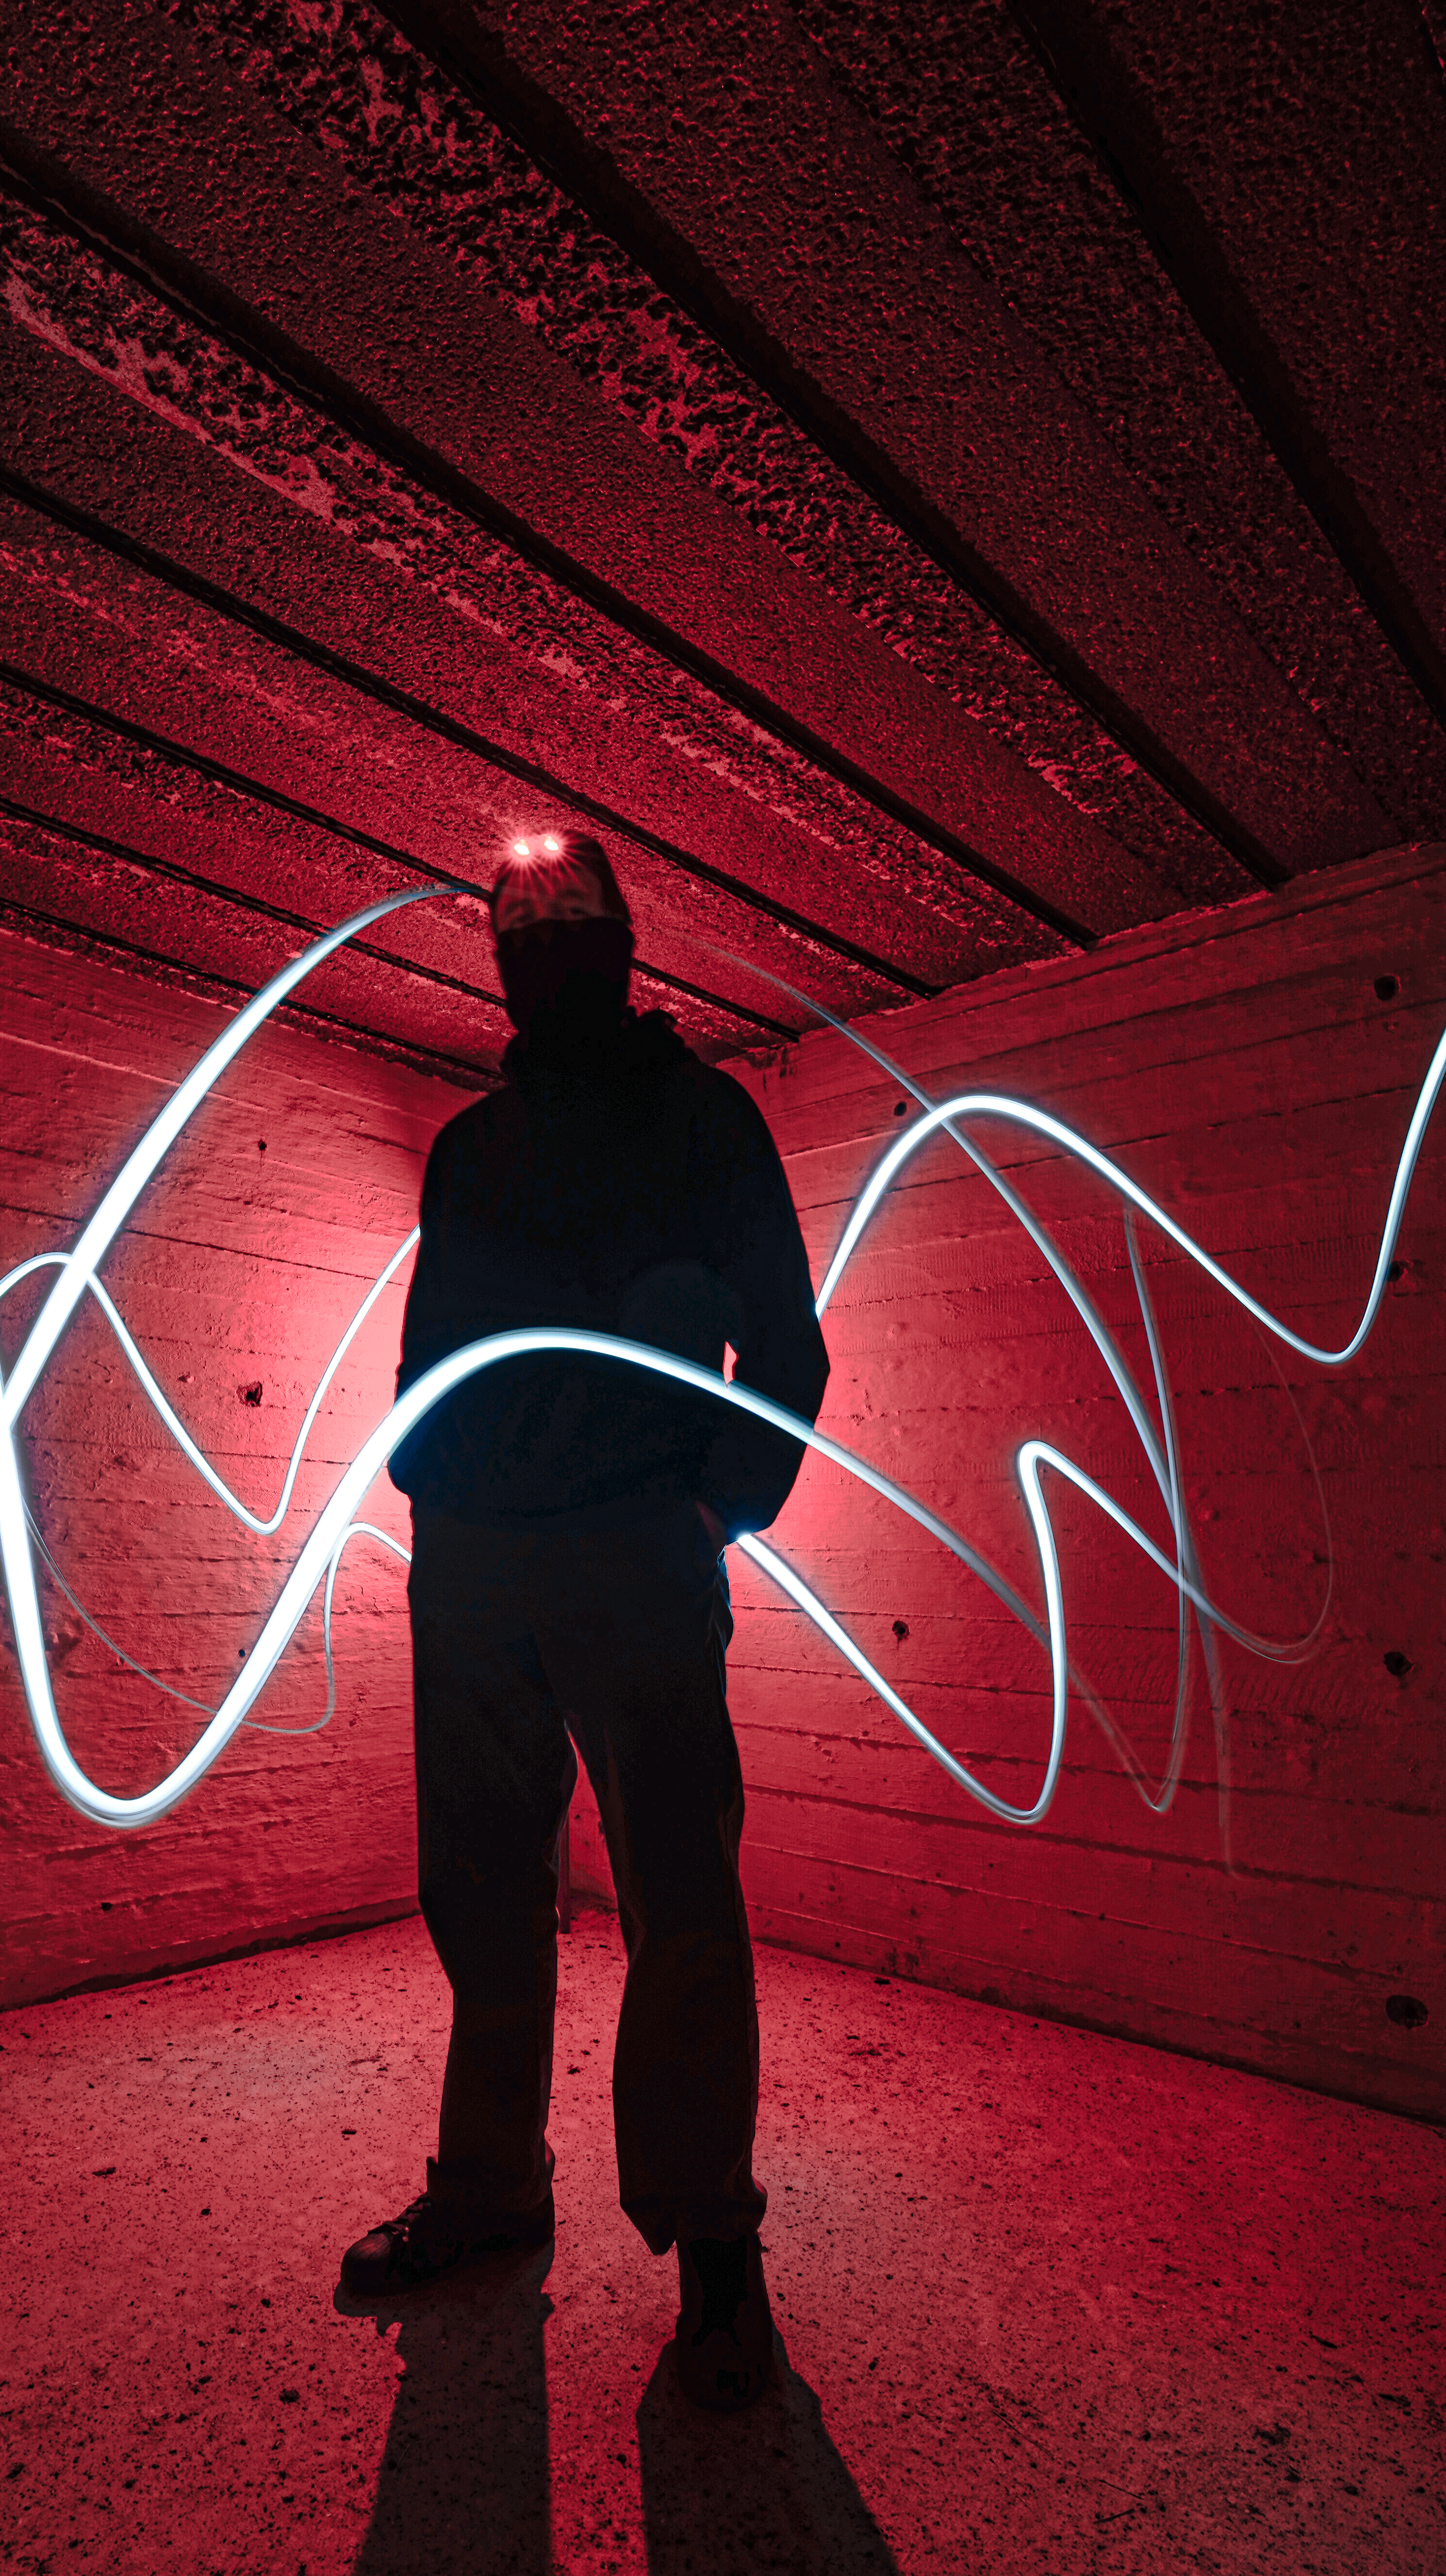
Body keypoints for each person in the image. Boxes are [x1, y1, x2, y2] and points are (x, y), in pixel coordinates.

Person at [340, 837, 828, 2411]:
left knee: (679, 1900)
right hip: (474, 1561)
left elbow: (788, 1347)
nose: (540, 944)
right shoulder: (469, 1148)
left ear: (621, 945)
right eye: (516, 926)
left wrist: (710, 1509)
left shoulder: (705, 1119)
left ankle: (717, 2260)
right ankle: (492, 2192)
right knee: (481, 1895)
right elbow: (436, 1350)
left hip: (631, 1551)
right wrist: (432, 1491)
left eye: (569, 921)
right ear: (497, 962)